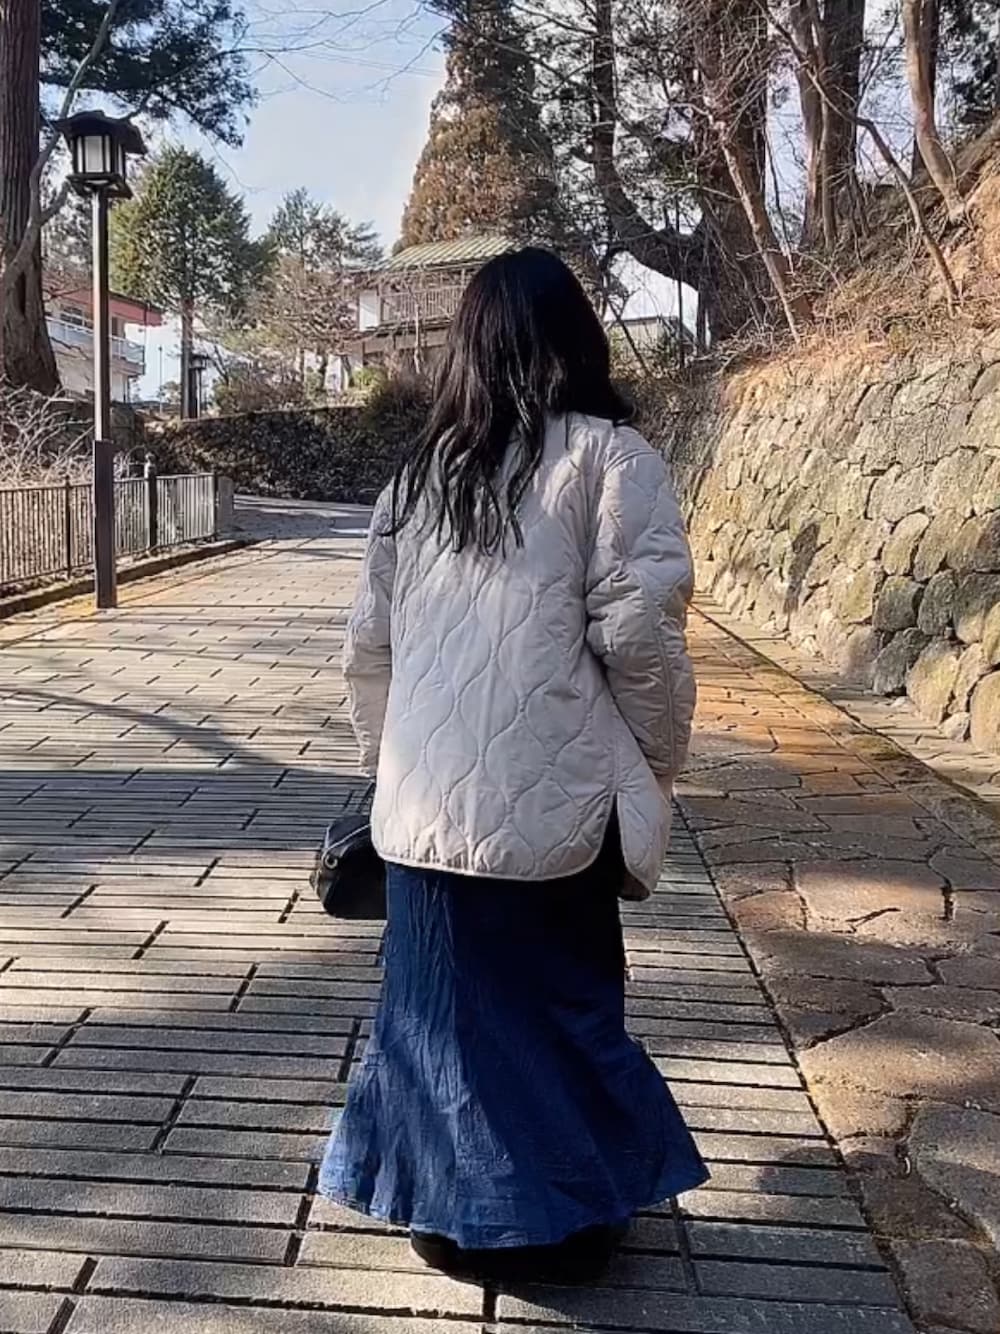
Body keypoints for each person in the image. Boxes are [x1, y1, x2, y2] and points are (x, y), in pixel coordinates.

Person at [318, 247, 708, 1283]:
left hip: (421, 815)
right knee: (562, 1013)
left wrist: (391, 770)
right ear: (578, 339)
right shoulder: (611, 459)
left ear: (466, 349)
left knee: (433, 1019)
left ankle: (441, 1214)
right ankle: (565, 1223)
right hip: (552, 810)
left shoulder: (419, 478)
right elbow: (642, 638)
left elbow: (368, 651)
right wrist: (656, 758)